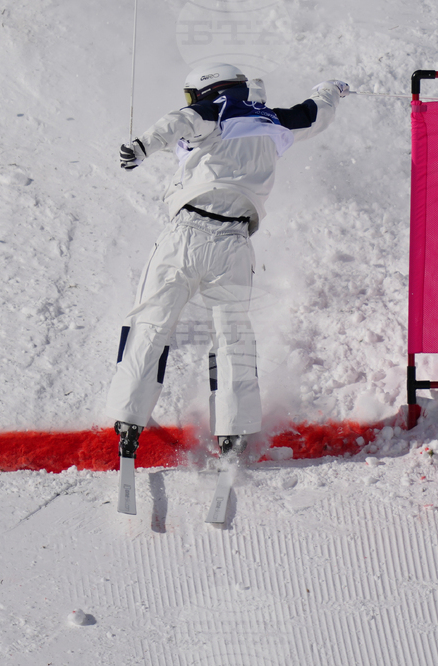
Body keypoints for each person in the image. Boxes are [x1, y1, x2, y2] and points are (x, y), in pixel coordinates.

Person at [106, 62, 349, 462]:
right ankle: (233, 431)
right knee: (232, 335)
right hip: (234, 242)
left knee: (152, 321)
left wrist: (141, 148)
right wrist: (332, 90)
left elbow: (178, 122)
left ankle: (129, 417)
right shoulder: (275, 121)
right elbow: (315, 114)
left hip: (186, 234)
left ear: (207, 88)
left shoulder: (215, 109)